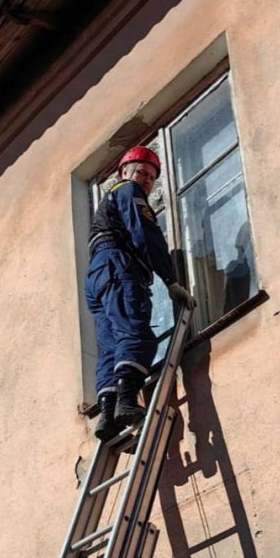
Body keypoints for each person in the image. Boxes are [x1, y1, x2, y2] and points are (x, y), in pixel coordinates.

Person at [85, 146, 197, 441]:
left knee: (111, 344)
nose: (146, 180)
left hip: (99, 274)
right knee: (135, 330)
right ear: (124, 172)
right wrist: (170, 279)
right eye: (142, 173)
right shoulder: (127, 191)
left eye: (151, 177)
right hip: (118, 265)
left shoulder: (107, 207)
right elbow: (144, 232)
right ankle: (125, 400)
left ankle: (107, 415)